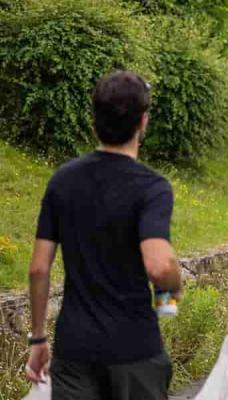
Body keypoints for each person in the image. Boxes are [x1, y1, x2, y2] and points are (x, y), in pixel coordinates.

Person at [25, 71, 181, 398]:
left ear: (94, 119)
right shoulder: (151, 188)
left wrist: (38, 339)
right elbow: (159, 266)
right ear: (143, 122)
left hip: (75, 349)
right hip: (134, 349)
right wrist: (173, 282)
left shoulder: (62, 181)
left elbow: (39, 268)